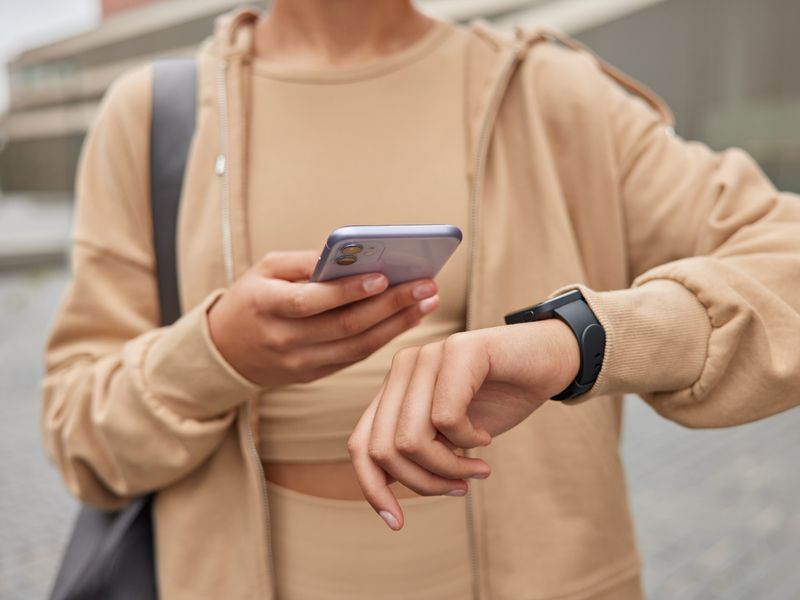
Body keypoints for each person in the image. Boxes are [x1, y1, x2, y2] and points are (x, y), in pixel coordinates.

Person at [40, 1, 800, 599]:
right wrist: (214, 356)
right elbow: (80, 436)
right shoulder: (149, 118)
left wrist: (578, 339)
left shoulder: (553, 95)